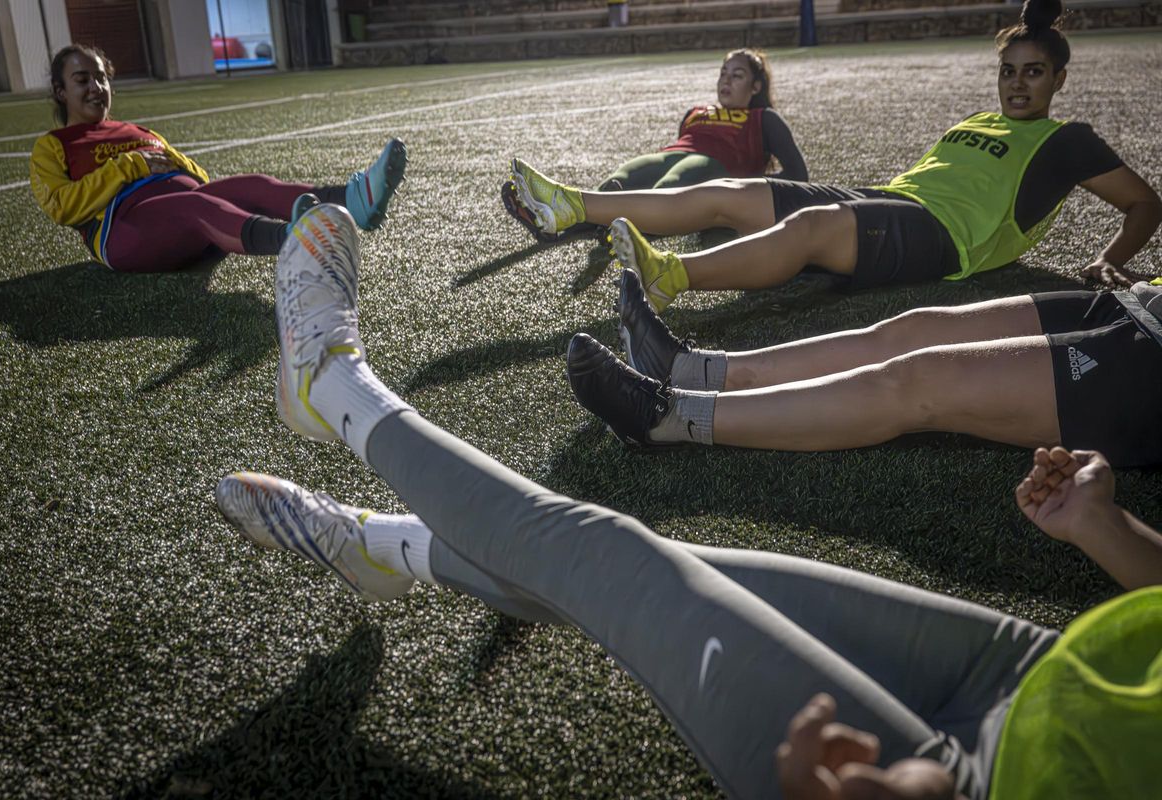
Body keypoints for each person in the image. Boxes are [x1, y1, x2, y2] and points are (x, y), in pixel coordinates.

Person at [215, 203, 1161, 798]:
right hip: (1053, 671)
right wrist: (1109, 530)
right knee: (664, 577)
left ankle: (332, 387)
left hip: (1006, 780)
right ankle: (391, 549)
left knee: (608, 558)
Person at [509, 0, 1160, 308]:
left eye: (1034, 72)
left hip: (943, 240)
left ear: (1059, 80)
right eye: (1010, 71)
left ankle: (673, 277)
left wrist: (1108, 259)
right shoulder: (980, 119)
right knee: (734, 194)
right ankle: (573, 207)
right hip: (890, 200)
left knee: (810, 227)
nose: (1018, 83)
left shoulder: (1066, 140)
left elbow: (1144, 204)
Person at [566, 267, 1162, 466]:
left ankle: (668, 417)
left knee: (918, 380)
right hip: (1141, 302)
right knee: (912, 330)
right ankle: (691, 368)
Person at [29, 44, 406, 273]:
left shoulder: (138, 131)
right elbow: (62, 207)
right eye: (83, 80)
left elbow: (196, 176)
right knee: (197, 205)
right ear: (61, 92)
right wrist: (132, 166)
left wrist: (172, 160)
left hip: (186, 211)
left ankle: (355, 201)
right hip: (122, 231)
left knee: (253, 184)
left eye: (101, 78)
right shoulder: (53, 145)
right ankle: (295, 240)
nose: (96, 88)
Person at [502, 49, 807, 242]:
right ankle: (554, 227)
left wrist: (738, 189)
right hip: (672, 155)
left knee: (674, 181)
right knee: (619, 181)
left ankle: (630, 229)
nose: (726, 81)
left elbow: (797, 173)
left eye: (737, 76)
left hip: (712, 168)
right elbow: (681, 145)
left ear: (756, 86)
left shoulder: (764, 118)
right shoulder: (696, 111)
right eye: (723, 74)